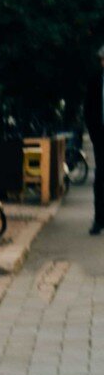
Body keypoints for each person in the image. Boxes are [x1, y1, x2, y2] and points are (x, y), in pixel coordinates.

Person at [83, 44, 104, 235]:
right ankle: (99, 219)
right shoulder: (95, 81)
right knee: (100, 177)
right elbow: (88, 109)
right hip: (101, 136)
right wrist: (94, 133)